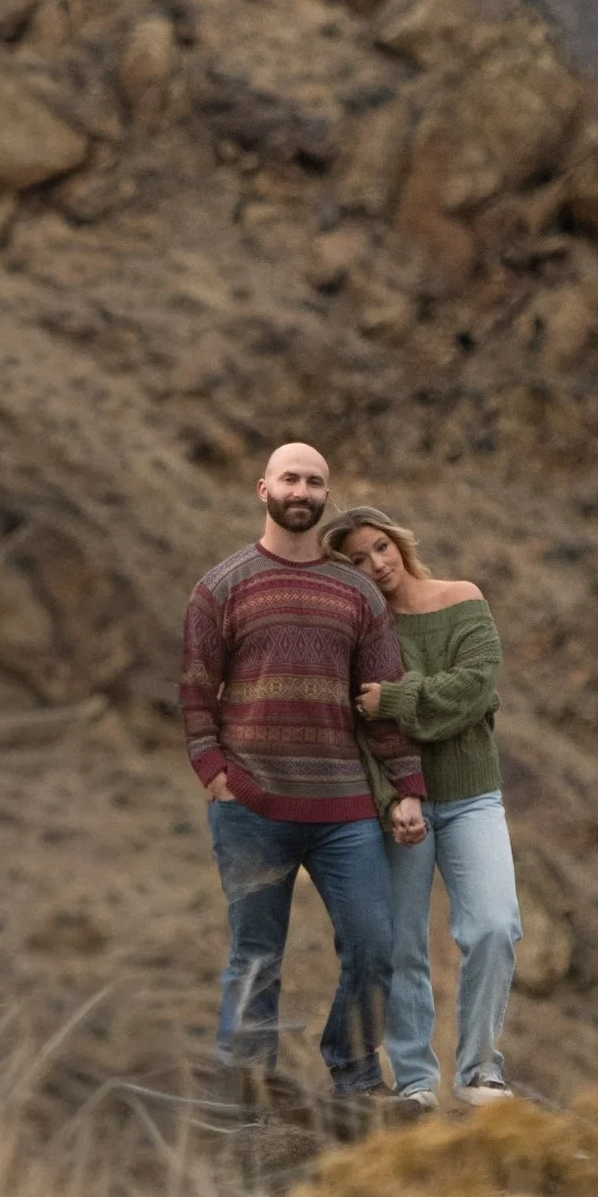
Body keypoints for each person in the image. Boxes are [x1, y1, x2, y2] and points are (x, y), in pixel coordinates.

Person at [180, 439, 427, 1103]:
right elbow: (197, 691)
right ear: (264, 489)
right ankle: (245, 1083)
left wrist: (408, 787)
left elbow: (382, 701)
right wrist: (213, 771)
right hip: (251, 805)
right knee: (254, 957)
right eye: (290, 479)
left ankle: (353, 1071)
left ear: (326, 497)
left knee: (376, 946)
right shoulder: (222, 586)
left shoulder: (357, 594)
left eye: (315, 483)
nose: (302, 491)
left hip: (342, 809)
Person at [323, 503, 520, 1108]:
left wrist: (396, 701)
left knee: (494, 926)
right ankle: (414, 1080)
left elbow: (476, 688)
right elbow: (359, 727)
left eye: (379, 547)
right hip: (401, 807)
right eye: (357, 560)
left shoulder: (462, 598)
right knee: (403, 943)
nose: (375, 563)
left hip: (472, 797)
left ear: (398, 542)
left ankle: (480, 1071)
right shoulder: (363, 630)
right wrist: (392, 797)